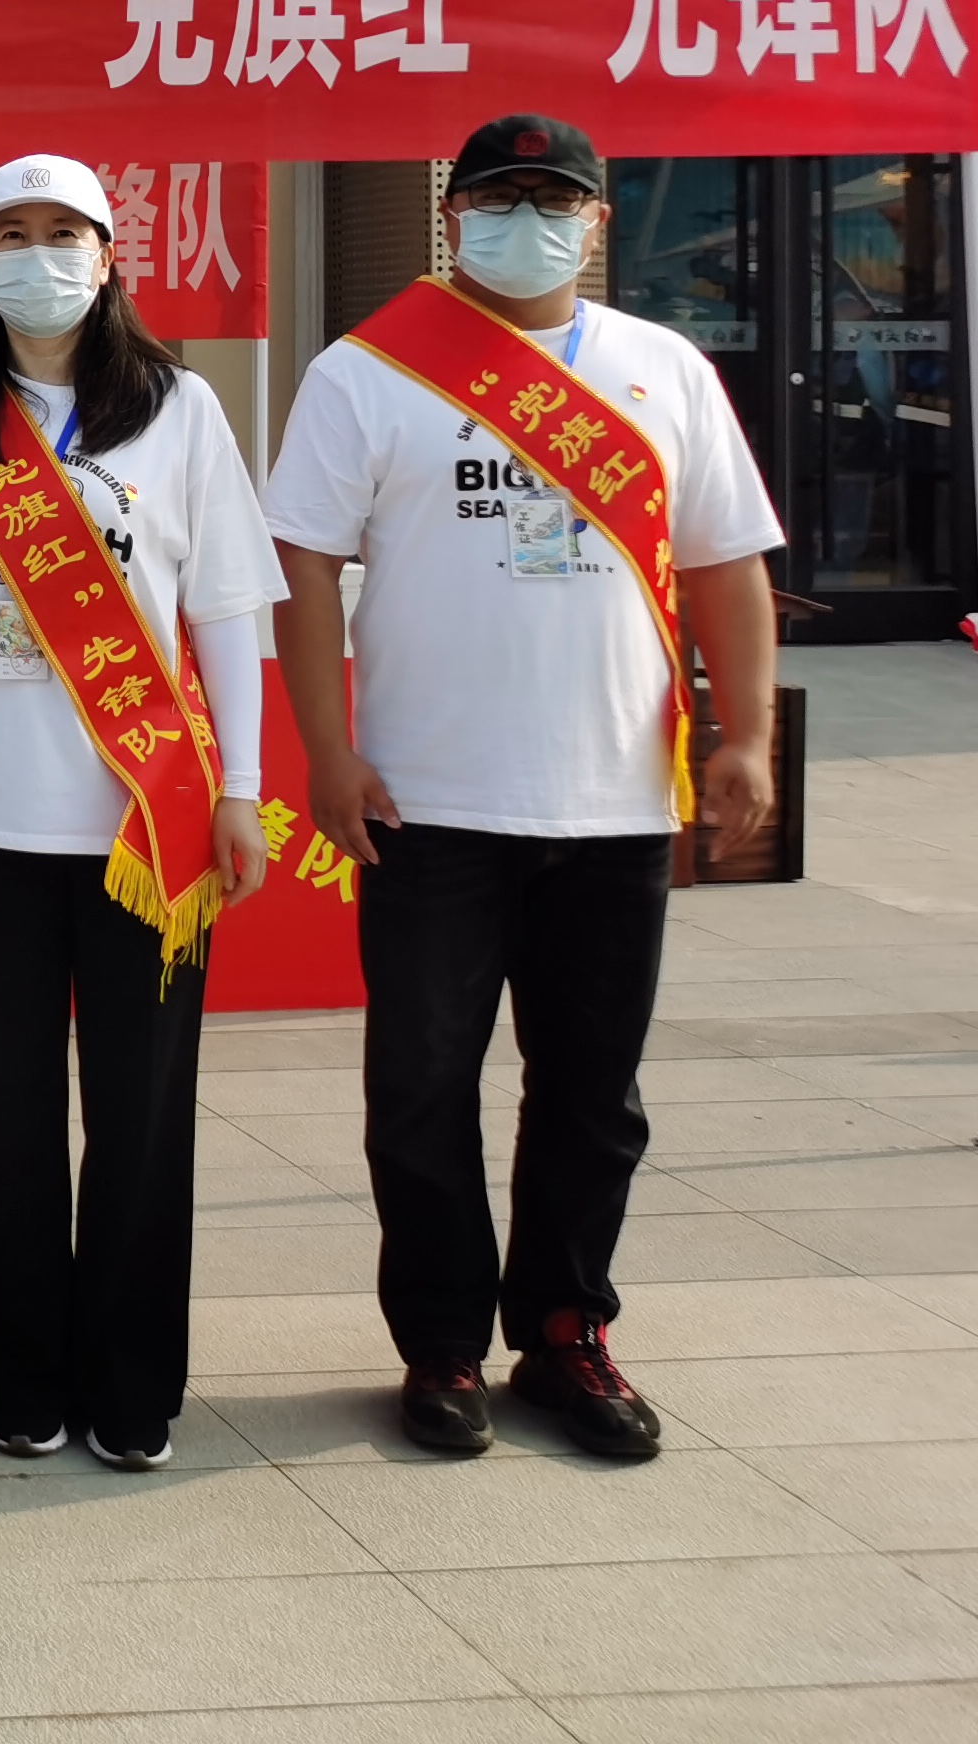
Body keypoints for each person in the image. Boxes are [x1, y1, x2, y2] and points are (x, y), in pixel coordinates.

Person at [271, 113, 781, 1464]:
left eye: (555, 201)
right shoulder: (367, 371)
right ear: (453, 216)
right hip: (428, 801)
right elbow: (303, 566)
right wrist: (327, 749)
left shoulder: (663, 369)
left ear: (598, 221)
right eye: (498, 199)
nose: (526, 223)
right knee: (421, 1089)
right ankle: (441, 1343)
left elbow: (724, 563)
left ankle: (564, 1331)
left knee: (593, 1093)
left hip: (615, 802)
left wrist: (744, 739)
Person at [0, 155, 280, 1473]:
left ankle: (133, 1382)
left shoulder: (183, 412)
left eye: (63, 233)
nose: (37, 256)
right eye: (12, 234)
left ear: (108, 257)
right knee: (5, 1115)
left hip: (147, 827)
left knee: (144, 1118)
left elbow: (225, 610)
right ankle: (22, 1374)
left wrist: (243, 790)